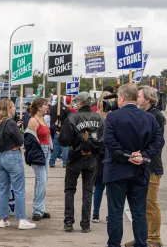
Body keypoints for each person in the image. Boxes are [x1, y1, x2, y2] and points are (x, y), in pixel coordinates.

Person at [103, 84, 164, 247]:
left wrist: (126, 156)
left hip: (117, 170)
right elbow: (159, 141)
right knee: (139, 212)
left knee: (115, 212)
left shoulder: (113, 117)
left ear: (122, 97)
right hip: (140, 171)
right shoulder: (149, 117)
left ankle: (114, 244)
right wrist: (143, 155)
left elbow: (109, 141)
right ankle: (141, 243)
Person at [124, 86, 166, 247]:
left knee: (150, 203)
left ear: (148, 99)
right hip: (141, 164)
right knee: (140, 203)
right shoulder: (144, 115)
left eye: (139, 97)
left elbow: (155, 143)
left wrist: (142, 153)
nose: (136, 100)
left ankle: (154, 238)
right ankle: (143, 237)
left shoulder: (155, 116)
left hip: (152, 166)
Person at [58, 92, 104, 233]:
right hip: (91, 158)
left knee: (70, 190)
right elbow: (102, 140)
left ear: (79, 102)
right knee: (88, 191)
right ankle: (85, 224)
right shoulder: (99, 118)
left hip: (75, 157)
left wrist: (74, 140)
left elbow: (63, 140)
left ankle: (68, 222)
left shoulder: (73, 117)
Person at [0, 99, 36, 229]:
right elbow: (20, 140)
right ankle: (22, 219)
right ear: (7, 109)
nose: (13, 109)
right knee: (19, 188)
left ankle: (3, 218)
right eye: (12, 107)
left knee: (3, 188)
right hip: (12, 156)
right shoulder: (10, 123)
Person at [24, 98, 52, 221]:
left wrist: (51, 148)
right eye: (46, 105)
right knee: (41, 182)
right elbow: (30, 140)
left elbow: (47, 136)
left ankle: (40, 208)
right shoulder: (33, 121)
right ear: (39, 107)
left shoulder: (43, 120)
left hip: (46, 152)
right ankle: (37, 210)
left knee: (43, 181)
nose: (48, 107)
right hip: (39, 153)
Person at [92, 91, 112, 224]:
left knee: (98, 186)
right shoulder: (114, 117)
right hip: (111, 155)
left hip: (98, 155)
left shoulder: (95, 117)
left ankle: (95, 213)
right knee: (111, 188)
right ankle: (111, 214)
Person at [49, 96, 71, 168]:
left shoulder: (52, 108)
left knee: (56, 147)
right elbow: (70, 116)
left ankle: (52, 161)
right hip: (63, 130)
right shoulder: (65, 108)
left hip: (55, 130)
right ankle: (65, 162)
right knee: (64, 147)